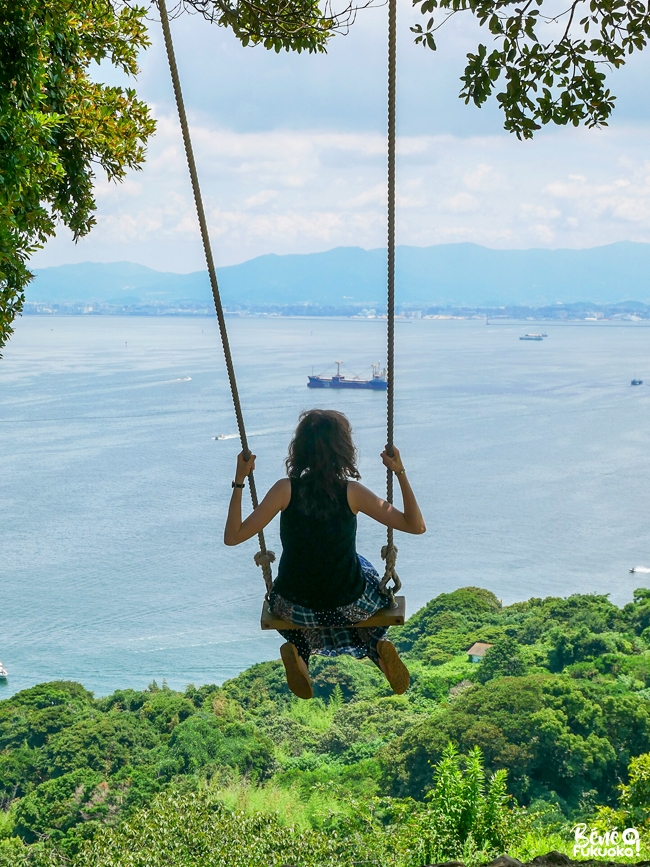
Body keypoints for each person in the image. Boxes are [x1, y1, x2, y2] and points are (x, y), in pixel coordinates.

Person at [224, 409, 426, 699]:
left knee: (302, 614)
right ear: (343, 450)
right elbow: (416, 526)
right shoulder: (352, 493)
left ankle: (300, 654)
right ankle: (377, 650)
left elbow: (233, 537)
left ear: (299, 450)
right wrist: (400, 471)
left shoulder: (285, 490)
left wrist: (239, 480)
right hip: (349, 605)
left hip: (294, 606)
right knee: (361, 572)